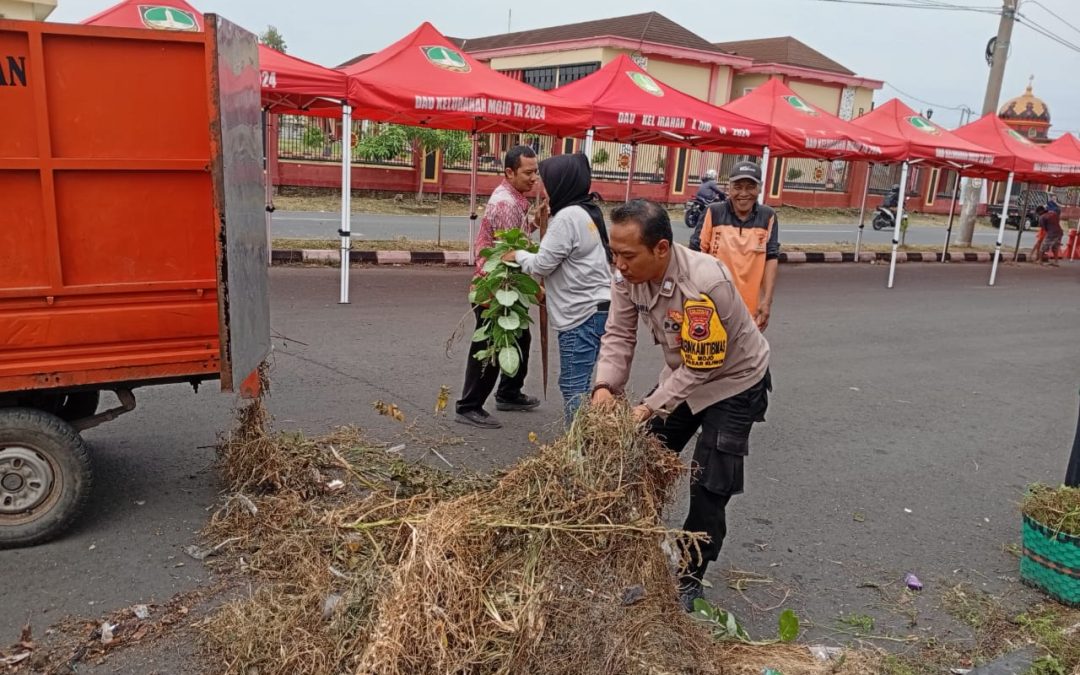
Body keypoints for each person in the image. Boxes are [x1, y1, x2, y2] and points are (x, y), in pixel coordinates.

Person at [591, 199, 771, 611]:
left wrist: (647, 408)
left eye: (627, 255)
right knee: (640, 459)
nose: (618, 264)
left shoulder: (706, 283)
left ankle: (690, 578)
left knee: (710, 485)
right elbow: (618, 335)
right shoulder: (626, 276)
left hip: (733, 382)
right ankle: (639, 558)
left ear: (661, 249)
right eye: (613, 253)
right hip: (683, 377)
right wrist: (605, 386)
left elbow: (702, 369)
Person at [504, 153, 613, 423]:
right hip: (596, 309)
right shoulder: (586, 212)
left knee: (573, 386)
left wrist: (517, 255)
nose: (544, 188)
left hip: (581, 315)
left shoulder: (567, 218)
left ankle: (578, 450)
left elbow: (541, 264)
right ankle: (584, 444)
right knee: (579, 381)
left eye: (548, 181)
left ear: (562, 183)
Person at [455, 146, 543, 429]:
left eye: (535, 172)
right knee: (491, 345)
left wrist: (534, 223)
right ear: (509, 172)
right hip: (495, 289)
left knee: (520, 338)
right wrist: (535, 288)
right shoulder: (506, 203)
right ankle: (468, 405)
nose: (534, 178)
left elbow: (514, 238)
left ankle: (508, 392)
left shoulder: (515, 199)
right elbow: (509, 253)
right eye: (528, 173)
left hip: (505, 287)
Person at [695, 161, 779, 331]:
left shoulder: (768, 216)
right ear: (729, 188)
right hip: (712, 307)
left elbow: (771, 257)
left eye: (750, 187)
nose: (743, 193)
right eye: (738, 187)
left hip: (750, 311)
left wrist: (767, 301)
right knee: (711, 356)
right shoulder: (714, 212)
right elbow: (695, 256)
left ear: (760, 188)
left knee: (746, 357)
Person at [688, 169, 726, 251]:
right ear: (714, 176)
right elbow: (718, 191)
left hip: (700, 198)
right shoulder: (712, 183)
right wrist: (723, 194)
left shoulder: (704, 181)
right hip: (707, 199)